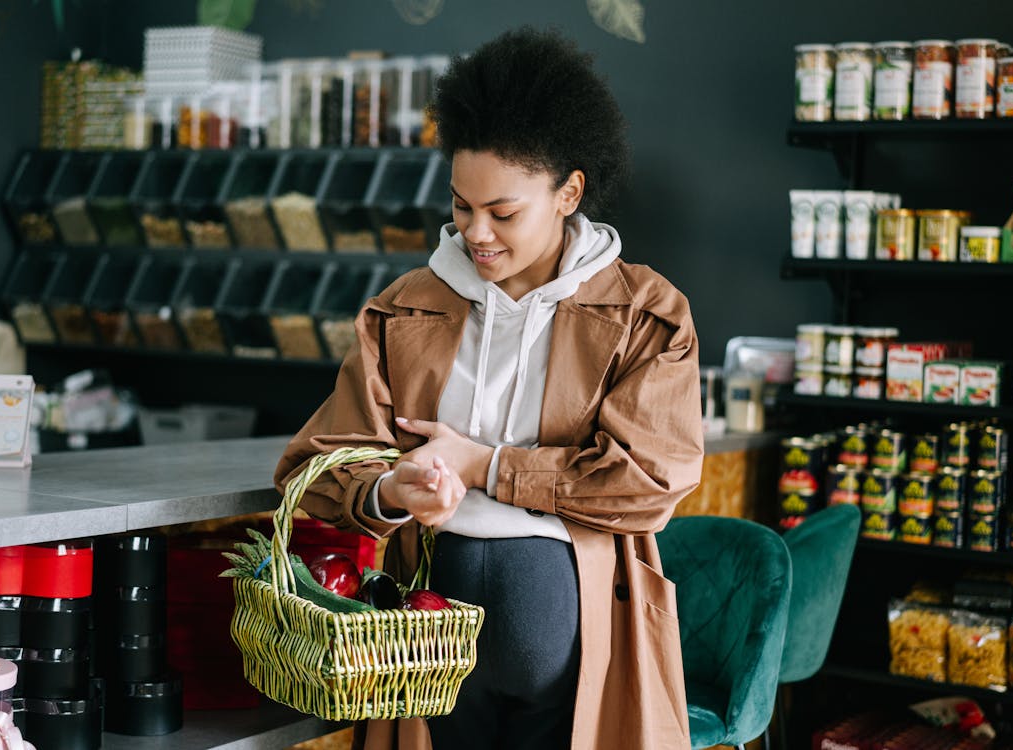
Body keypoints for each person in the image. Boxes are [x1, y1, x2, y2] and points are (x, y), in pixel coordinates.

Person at [274, 26, 703, 750]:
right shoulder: (406, 308)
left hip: (569, 638)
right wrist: (391, 491)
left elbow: (647, 482)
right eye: (461, 205)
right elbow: (314, 468)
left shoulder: (646, 315)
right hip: (425, 644)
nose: (477, 232)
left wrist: (487, 466)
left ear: (569, 191)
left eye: (503, 212)